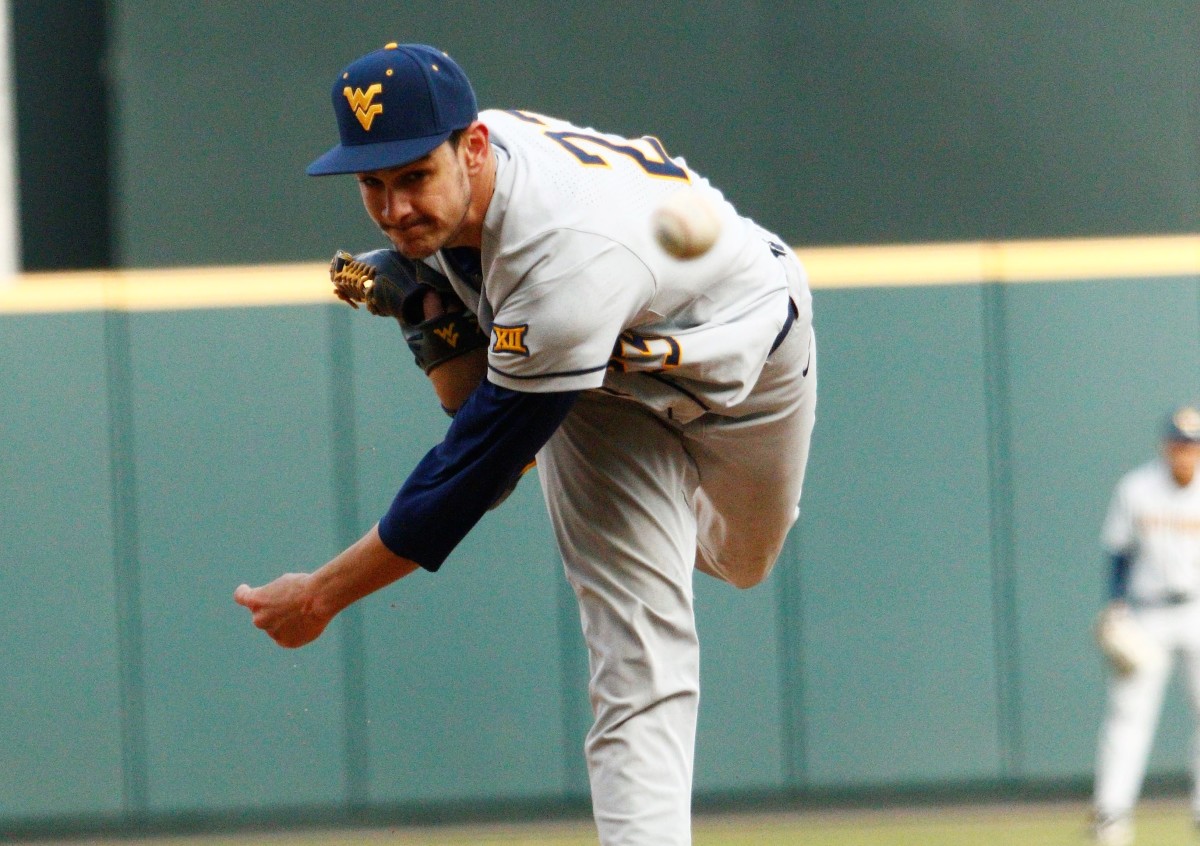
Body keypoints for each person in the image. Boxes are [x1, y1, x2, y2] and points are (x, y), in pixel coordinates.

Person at [233, 42, 816, 846]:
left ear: (472, 147)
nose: (395, 207)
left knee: (746, 559)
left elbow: (476, 474)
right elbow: (481, 423)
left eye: (412, 175)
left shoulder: (559, 249)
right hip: (597, 389)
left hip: (737, 353)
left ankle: (448, 319)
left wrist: (323, 593)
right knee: (635, 645)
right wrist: (435, 322)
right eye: (373, 183)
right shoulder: (451, 211)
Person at [1092, 406, 1200, 846]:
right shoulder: (1137, 487)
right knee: (1128, 716)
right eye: (1179, 445)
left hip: (1197, 610)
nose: (1185, 454)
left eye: (1193, 447)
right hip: (1148, 612)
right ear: (1164, 446)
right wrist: (1115, 607)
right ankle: (1111, 817)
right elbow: (1118, 551)